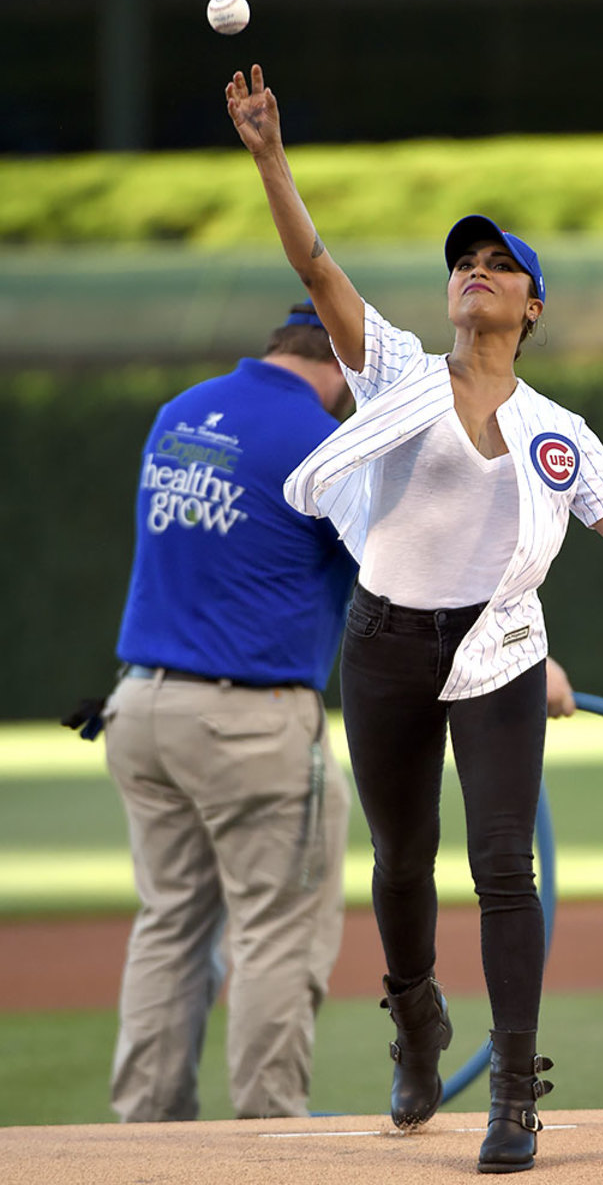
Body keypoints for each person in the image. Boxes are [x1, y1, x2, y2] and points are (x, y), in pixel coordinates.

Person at [226, 63, 603, 1173]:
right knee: (402, 859)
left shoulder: (560, 431)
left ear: (530, 306)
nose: (473, 274)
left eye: (497, 266)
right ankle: (417, 1022)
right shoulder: (396, 374)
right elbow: (315, 268)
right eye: (463, 262)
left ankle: (515, 1090)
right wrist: (271, 156)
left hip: (496, 650)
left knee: (504, 865)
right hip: (382, 644)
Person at [101, 302, 358, 1122]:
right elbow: (403, 580)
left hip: (139, 708)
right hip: (249, 719)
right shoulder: (323, 443)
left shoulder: (182, 412)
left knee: (169, 925)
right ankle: (267, 1145)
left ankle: (145, 1142)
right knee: (277, 933)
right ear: (344, 364)